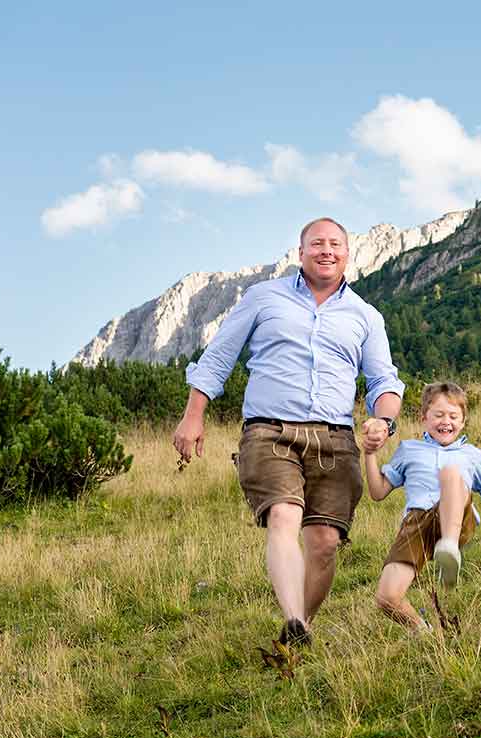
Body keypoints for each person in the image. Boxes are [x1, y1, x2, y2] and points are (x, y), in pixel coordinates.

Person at [172, 217, 404, 646]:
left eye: (335, 244)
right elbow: (219, 356)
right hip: (269, 432)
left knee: (325, 543)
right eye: (317, 243)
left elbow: (384, 382)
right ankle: (294, 617)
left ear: (347, 254)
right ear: (301, 253)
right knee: (283, 514)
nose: (326, 251)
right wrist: (194, 414)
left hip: (335, 439)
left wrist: (384, 421)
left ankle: (299, 631)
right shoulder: (263, 298)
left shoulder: (366, 316)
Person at [366, 381, 481, 631]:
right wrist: (369, 453)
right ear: (423, 418)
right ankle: (423, 631)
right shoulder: (409, 450)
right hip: (416, 524)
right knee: (387, 597)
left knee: (451, 473)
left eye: (453, 416)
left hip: (457, 520)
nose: (446, 422)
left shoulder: (471, 455)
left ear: (463, 421)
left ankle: (449, 548)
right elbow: (377, 493)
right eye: (438, 415)